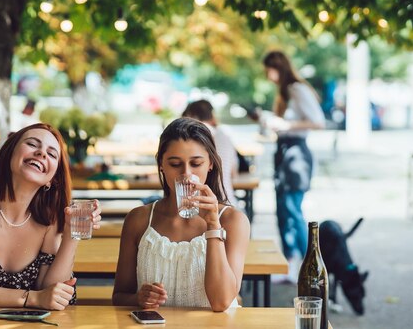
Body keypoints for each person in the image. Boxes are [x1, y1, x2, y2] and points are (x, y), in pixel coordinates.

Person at [0, 123, 102, 309]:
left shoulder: (49, 217)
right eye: (32, 144)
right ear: (9, 153)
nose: (42, 153)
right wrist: (33, 298)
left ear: (52, 179)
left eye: (52, 154)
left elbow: (52, 291)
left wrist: (71, 234)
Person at [112, 117, 250, 311]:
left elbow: (221, 302)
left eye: (196, 164)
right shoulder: (139, 219)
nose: (186, 174)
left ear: (210, 163)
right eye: (175, 164)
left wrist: (212, 226)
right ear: (161, 164)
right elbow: (119, 297)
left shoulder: (232, 220)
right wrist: (139, 298)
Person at [262, 50, 325, 281]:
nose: (268, 76)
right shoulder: (287, 92)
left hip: (296, 154)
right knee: (283, 209)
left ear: (277, 68)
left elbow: (318, 122)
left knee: (292, 210)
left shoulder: (297, 89)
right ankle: (291, 262)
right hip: (285, 152)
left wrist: (284, 124)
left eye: (269, 70)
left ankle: (313, 265)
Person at [182, 100, 239, 206]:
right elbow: (233, 173)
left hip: (202, 204)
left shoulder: (195, 136)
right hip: (230, 202)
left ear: (190, 116)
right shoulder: (224, 135)